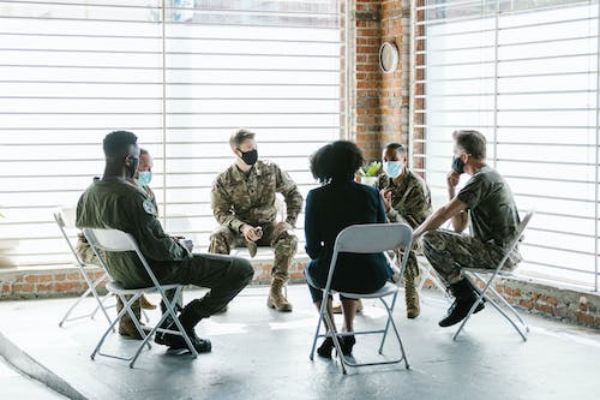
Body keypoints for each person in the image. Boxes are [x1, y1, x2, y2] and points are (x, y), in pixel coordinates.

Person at [76, 131, 254, 353]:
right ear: (129, 160)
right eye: (137, 160)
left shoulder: (88, 195)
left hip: (119, 274)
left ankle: (172, 323)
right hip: (151, 272)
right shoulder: (132, 196)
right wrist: (182, 248)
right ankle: (183, 323)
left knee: (178, 256)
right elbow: (157, 248)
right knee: (242, 269)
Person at [412, 130, 522, 327]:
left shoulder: (482, 180)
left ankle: (465, 297)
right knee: (434, 237)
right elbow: (459, 226)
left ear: (464, 157)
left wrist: (414, 235)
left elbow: (443, 214)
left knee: (429, 238)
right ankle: (469, 295)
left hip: (497, 254)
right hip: (502, 251)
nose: (453, 158)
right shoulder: (487, 176)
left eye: (454, 153)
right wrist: (451, 188)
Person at [305, 141, 393, 358]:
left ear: (323, 167)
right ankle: (349, 329)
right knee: (350, 263)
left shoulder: (316, 197)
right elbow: (382, 236)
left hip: (336, 274)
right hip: (374, 276)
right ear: (355, 164)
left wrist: (325, 255)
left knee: (316, 269)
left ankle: (331, 332)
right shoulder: (372, 194)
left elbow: (313, 248)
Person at [332, 143, 432, 318]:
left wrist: (389, 210)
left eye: (393, 160)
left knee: (404, 241)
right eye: (385, 160)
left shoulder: (416, 186)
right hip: (389, 232)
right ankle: (354, 298)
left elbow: (414, 228)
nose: (388, 164)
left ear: (404, 160)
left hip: (417, 236)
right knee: (357, 241)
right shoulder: (382, 181)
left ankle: (411, 292)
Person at [209, 129, 303, 312]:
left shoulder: (270, 169)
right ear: (236, 151)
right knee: (218, 236)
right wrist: (242, 227)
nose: (254, 151)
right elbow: (221, 213)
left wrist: (290, 221)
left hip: (268, 228)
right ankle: (219, 295)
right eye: (249, 148)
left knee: (289, 237)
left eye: (255, 147)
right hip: (239, 230)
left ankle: (276, 292)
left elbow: (294, 194)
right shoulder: (223, 180)